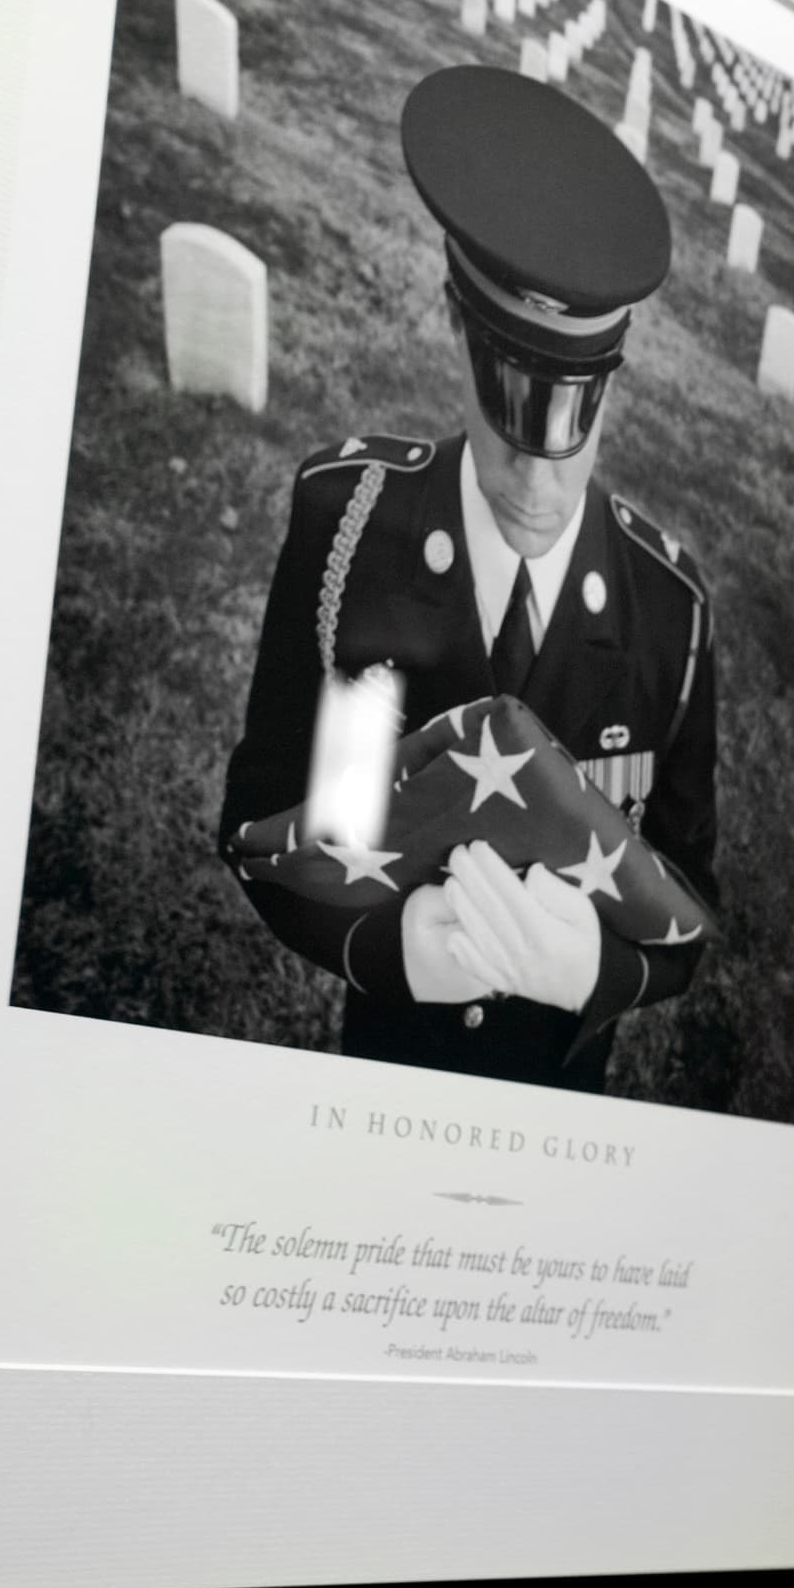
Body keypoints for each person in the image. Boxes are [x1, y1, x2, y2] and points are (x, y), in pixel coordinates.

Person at [219, 62, 720, 1092]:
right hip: (390, 1070)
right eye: (512, 406)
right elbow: (272, 821)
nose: (538, 469)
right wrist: (394, 948)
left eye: (572, 417)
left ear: (611, 381)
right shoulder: (353, 533)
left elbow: (686, 896)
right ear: (458, 325)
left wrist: (601, 965)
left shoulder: (668, 616)